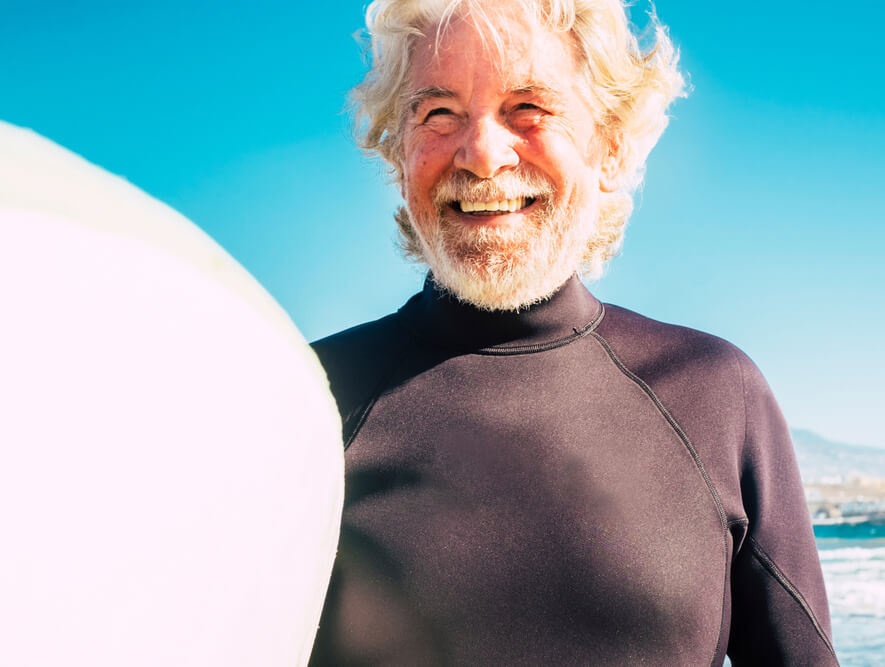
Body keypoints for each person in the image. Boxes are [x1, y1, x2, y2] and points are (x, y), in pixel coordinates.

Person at [309, 0, 838, 664]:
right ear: (397, 152)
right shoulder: (305, 402)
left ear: (611, 146)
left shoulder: (715, 394)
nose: (481, 154)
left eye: (528, 107)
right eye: (438, 113)